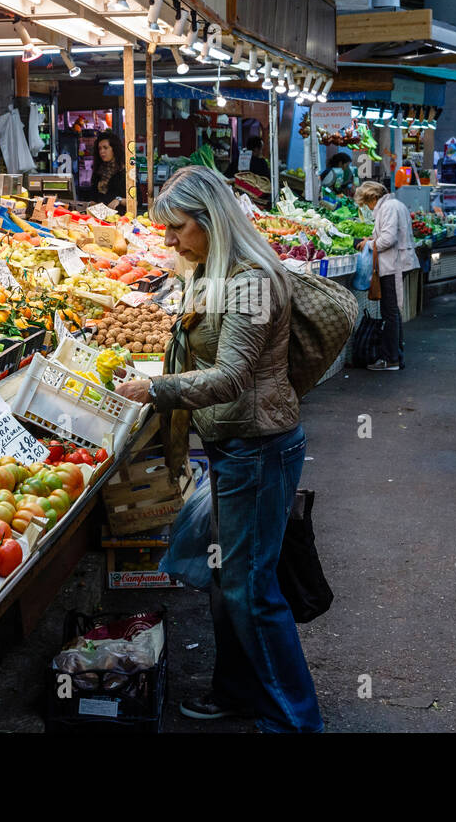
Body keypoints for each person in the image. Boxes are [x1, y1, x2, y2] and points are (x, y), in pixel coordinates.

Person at [114, 165, 322, 733]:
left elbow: (230, 376)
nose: (170, 240)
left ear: (211, 221)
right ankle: (237, 691)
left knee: (251, 591)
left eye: (178, 228)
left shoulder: (252, 280)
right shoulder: (213, 271)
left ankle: (295, 722)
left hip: (257, 447)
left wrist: (153, 389)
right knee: (229, 581)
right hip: (234, 445)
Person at [355, 180, 417, 371]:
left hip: (393, 264)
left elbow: (388, 239)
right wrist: (373, 239)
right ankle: (395, 354)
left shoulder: (388, 207)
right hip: (396, 262)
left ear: (373, 197)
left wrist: (369, 244)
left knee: (389, 312)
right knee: (393, 312)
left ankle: (390, 359)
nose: (368, 207)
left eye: (367, 203)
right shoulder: (394, 205)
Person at [86, 131, 127, 208]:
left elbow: (137, 201)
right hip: (99, 215)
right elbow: (94, 195)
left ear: (114, 149)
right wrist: (92, 202)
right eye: (100, 148)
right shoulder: (98, 171)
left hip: (120, 216)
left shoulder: (124, 171)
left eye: (105, 148)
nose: (102, 151)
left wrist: (119, 200)